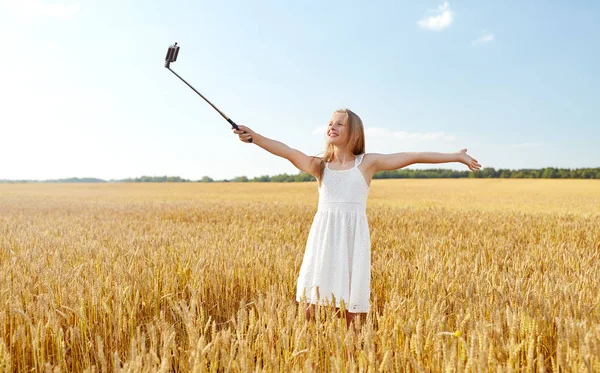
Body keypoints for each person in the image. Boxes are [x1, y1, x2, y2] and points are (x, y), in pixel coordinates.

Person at [232, 108, 481, 326]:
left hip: (353, 239)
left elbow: (412, 156)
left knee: (351, 312)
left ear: (355, 134)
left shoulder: (366, 163)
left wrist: (456, 156)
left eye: (340, 123)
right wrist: (254, 137)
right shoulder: (319, 166)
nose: (333, 126)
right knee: (310, 308)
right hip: (324, 240)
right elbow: (287, 151)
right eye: (331, 122)